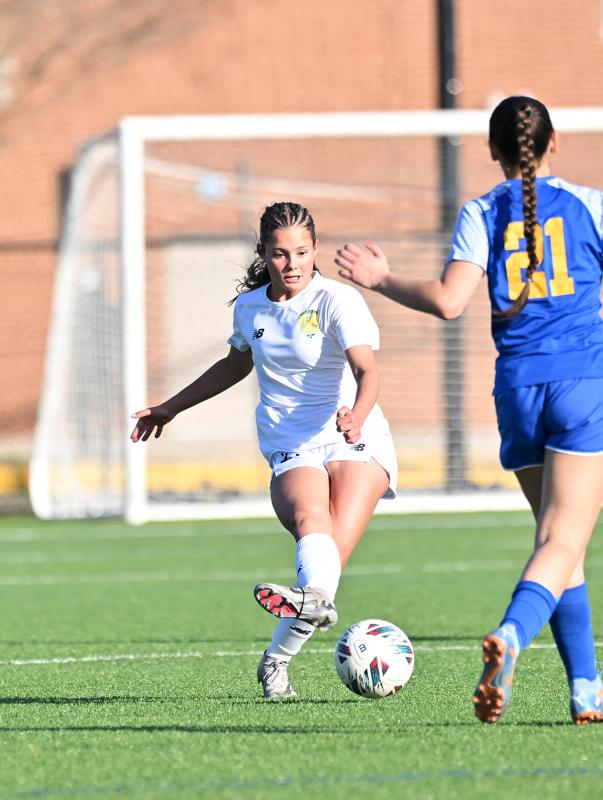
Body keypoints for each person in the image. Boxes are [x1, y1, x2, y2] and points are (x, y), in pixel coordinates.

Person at [335, 96, 603, 725]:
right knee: (564, 540)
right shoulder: (591, 204)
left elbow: (451, 301)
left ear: (492, 151)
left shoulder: (482, 211)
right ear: (555, 143)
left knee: (557, 544)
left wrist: (381, 280)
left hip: (516, 390)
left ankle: (587, 687)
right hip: (581, 384)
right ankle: (511, 636)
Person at [131, 201, 397, 699]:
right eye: (279, 254)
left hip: (354, 434)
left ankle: (276, 660)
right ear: (263, 254)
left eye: (301, 252)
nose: (292, 264)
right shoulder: (251, 307)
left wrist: (356, 414)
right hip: (290, 439)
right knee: (311, 524)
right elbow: (235, 365)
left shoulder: (338, 300)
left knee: (328, 563)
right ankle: (299, 624)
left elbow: (368, 371)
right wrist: (170, 407)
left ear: (315, 249)